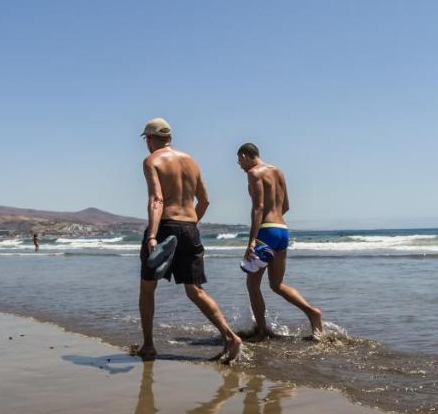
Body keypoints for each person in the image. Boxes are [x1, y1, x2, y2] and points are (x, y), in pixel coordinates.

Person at [131, 117, 242, 363]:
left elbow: (157, 200)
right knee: (195, 290)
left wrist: (152, 235)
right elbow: (205, 201)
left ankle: (148, 346)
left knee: (147, 289)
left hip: (165, 227)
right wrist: (190, 225)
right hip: (189, 228)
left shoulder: (151, 160)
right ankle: (230, 337)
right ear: (168, 137)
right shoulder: (191, 161)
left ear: (149, 139)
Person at [236, 142, 323, 339]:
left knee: (252, 286)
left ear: (244, 156)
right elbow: (286, 205)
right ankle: (313, 313)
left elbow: (258, 208)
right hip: (282, 230)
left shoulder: (254, 173)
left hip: (265, 231)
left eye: (239, 161)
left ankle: (261, 331)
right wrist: (274, 221)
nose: (240, 166)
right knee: (277, 285)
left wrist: (252, 241)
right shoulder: (278, 172)